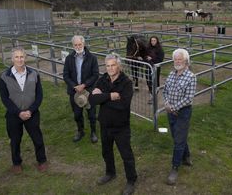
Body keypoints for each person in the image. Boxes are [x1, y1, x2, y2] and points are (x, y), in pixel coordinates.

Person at [89, 54, 137, 195]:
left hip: (120, 126)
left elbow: (123, 105)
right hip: (104, 124)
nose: (110, 68)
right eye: (107, 65)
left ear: (119, 66)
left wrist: (102, 97)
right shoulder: (102, 79)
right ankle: (110, 173)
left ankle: (131, 180)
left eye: (113, 65)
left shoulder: (126, 83)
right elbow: (92, 100)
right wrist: (110, 96)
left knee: (126, 154)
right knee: (106, 151)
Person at [0, 47, 48, 174]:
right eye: (17, 57)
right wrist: (18, 112)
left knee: (37, 138)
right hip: (13, 115)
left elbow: (39, 96)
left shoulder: (34, 74)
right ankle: (16, 163)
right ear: (12, 59)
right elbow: (5, 98)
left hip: (32, 113)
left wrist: (31, 111)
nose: (19, 59)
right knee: (15, 140)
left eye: (22, 57)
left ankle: (42, 161)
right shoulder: (4, 76)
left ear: (25, 58)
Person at [162, 48, 197, 185]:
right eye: (175, 59)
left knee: (178, 140)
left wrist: (174, 108)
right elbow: (165, 91)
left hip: (183, 112)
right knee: (178, 137)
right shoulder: (171, 74)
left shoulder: (191, 77)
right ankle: (187, 156)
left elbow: (188, 98)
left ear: (186, 61)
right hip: (170, 111)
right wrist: (166, 103)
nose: (177, 61)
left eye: (180, 59)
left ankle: (175, 168)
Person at [63, 35, 99, 143]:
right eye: (75, 45)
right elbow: (65, 75)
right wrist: (74, 86)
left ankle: (93, 132)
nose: (78, 47)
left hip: (88, 90)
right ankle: (80, 131)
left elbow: (95, 74)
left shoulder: (92, 58)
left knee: (91, 113)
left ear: (84, 44)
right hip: (74, 92)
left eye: (80, 44)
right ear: (73, 45)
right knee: (77, 114)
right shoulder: (69, 58)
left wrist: (84, 85)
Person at [145, 36, 165, 104]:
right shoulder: (148, 48)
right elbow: (145, 56)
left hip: (156, 67)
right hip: (148, 67)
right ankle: (152, 95)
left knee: (155, 81)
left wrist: (152, 59)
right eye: (152, 40)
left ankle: (154, 96)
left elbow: (160, 59)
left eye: (154, 40)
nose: (153, 42)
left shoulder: (160, 49)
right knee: (148, 81)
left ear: (157, 41)